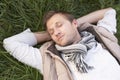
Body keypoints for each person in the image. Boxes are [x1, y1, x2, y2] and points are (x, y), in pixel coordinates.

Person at [3, 7, 120, 80]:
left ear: (74, 23)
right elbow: (11, 43)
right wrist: (47, 35)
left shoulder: (99, 35)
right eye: (52, 31)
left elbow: (109, 12)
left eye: (59, 25)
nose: (56, 32)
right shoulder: (50, 60)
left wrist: (76, 24)